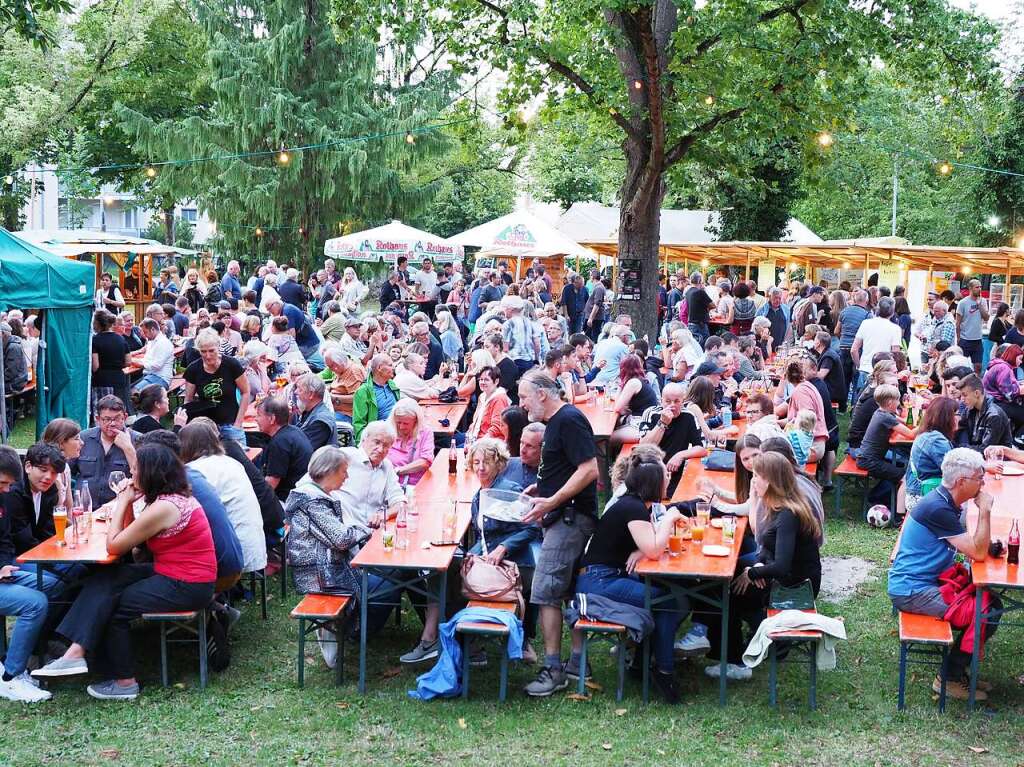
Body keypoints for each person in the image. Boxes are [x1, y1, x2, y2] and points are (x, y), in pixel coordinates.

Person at [33, 443, 216, 701]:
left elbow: (114, 544)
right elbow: (130, 534)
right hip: (174, 572)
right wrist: (128, 502)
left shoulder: (166, 507)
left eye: (135, 470)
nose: (131, 476)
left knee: (114, 608)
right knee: (105, 577)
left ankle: (124, 681)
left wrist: (123, 499)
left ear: (151, 473)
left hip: (187, 583)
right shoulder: (171, 499)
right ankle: (74, 653)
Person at [888, 448, 999, 702]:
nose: (983, 483)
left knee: (989, 601)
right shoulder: (939, 508)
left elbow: (973, 545)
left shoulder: (945, 501)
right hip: (912, 589)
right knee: (987, 610)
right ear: (962, 482)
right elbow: (978, 553)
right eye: (980, 478)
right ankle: (948, 678)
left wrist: (986, 545)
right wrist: (985, 510)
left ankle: (957, 671)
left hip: (926, 581)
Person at [577, 456, 689, 702]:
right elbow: (655, 549)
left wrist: (641, 549)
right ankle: (663, 671)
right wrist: (670, 518)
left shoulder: (636, 505)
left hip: (609, 576)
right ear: (654, 483)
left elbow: (645, 544)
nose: (668, 480)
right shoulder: (633, 507)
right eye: (665, 476)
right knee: (670, 602)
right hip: (599, 582)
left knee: (677, 600)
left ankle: (642, 663)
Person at [701, 452, 822, 681]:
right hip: (786, 578)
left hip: (796, 589)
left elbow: (782, 566)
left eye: (757, 476)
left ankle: (736, 662)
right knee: (733, 578)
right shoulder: (777, 505)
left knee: (726, 595)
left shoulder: (788, 514)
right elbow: (769, 549)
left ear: (772, 481)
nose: (753, 480)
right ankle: (760, 637)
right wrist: (757, 565)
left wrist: (753, 572)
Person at [517, 371, 599, 697]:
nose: (521, 404)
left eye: (524, 397)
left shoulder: (568, 420)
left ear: (542, 394)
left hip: (570, 520)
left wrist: (552, 499)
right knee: (569, 589)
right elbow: (570, 467)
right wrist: (546, 484)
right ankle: (577, 661)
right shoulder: (557, 423)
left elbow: (590, 469)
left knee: (545, 591)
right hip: (566, 515)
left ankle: (553, 670)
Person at [283, 446, 374, 667]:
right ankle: (358, 636)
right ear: (329, 471)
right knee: (374, 585)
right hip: (318, 573)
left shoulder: (314, 495)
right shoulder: (312, 501)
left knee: (373, 582)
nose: (347, 476)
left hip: (323, 566)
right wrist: (368, 530)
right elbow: (341, 538)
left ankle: (358, 634)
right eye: (344, 471)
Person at [464, 437, 542, 663]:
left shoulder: (507, 490)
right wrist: (474, 552)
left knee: (463, 582)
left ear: (499, 464)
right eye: (476, 462)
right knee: (455, 573)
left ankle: (523, 639)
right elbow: (482, 536)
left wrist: (503, 548)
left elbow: (532, 529)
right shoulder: (479, 495)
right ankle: (473, 642)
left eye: (486, 462)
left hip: (517, 563)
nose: (481, 468)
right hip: (490, 561)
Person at [179, 419, 267, 575]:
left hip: (234, 552)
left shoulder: (196, 470)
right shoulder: (230, 462)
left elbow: (184, 509)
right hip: (252, 544)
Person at [183, 328, 251, 446]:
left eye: (211, 350)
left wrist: (238, 423)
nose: (208, 355)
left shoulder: (231, 365)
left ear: (218, 347)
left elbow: (245, 392)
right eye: (203, 351)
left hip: (230, 424)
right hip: (206, 428)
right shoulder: (193, 369)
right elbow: (188, 400)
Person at [72, 395, 139, 508]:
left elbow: (144, 478)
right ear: (97, 419)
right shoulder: (83, 438)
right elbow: (65, 470)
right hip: (85, 507)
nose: (112, 424)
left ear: (125, 417)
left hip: (120, 509)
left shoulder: (138, 440)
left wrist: (128, 448)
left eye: (117, 418)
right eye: (106, 419)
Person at [901, 396, 959, 517]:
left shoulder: (927, 434)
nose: (960, 418)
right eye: (956, 414)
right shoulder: (936, 440)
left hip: (917, 494)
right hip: (923, 498)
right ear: (947, 418)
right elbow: (954, 471)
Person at [256, 396, 313, 502]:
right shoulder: (295, 431)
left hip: (289, 501)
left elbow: (270, 485)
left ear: (272, 419)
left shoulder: (279, 443)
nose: (256, 419)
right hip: (304, 494)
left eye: (259, 415)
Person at [852, 297, 902, 394]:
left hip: (865, 369)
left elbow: (854, 350)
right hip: (884, 372)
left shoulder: (865, 323)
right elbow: (896, 353)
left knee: (860, 403)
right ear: (892, 311)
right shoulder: (895, 329)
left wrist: (860, 365)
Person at [352, 354, 401, 443]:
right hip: (379, 437)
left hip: (398, 432)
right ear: (379, 368)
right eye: (390, 365)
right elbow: (359, 424)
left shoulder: (392, 384)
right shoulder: (363, 391)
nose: (393, 367)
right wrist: (363, 446)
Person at [90, 309, 132, 414]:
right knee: (118, 411)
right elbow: (128, 362)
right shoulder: (121, 339)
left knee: (104, 412)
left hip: (102, 381)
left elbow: (95, 366)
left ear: (97, 323)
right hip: (119, 379)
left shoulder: (95, 340)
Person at [958, 374, 1012, 453]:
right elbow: (962, 429)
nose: (962, 399)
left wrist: (963, 448)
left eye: (965, 395)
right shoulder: (969, 410)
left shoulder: (994, 415)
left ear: (977, 393)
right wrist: (962, 445)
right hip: (974, 455)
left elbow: (986, 449)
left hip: (998, 459)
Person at [386, 398, 434, 486]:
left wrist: (398, 470)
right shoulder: (387, 430)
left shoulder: (425, 432)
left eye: (406, 423)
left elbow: (425, 462)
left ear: (416, 421)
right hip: (390, 484)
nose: (401, 427)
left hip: (417, 485)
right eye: (398, 422)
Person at [982, 344, 1024, 431]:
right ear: (1013, 356)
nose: (1021, 362)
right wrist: (1020, 389)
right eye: (1019, 359)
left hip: (993, 401)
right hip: (995, 403)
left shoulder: (1001, 366)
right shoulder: (1003, 368)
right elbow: (1009, 394)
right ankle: (1018, 439)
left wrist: (1019, 384)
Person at [294, 373, 339, 451]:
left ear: (311, 394)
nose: (295, 392)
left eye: (300, 389)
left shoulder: (320, 421)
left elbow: (299, 450)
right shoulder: (309, 412)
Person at [466, 366, 511, 442]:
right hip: (475, 436)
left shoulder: (499, 399)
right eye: (481, 379)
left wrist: (478, 444)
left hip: (490, 442)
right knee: (453, 439)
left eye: (486, 380)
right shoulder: (482, 396)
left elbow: (496, 428)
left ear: (496, 381)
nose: (482, 382)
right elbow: (476, 420)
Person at [956, 279, 989, 374]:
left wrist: (979, 305)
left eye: (980, 287)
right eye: (977, 287)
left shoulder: (983, 301)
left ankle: (976, 384)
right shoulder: (963, 303)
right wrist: (958, 339)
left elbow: (986, 318)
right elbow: (958, 323)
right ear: (970, 288)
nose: (979, 289)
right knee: (962, 366)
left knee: (978, 366)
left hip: (978, 339)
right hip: (965, 339)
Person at [813, 330, 847, 412]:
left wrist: (806, 373)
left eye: (814, 340)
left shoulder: (828, 356)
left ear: (819, 343)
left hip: (832, 392)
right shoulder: (827, 353)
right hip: (831, 389)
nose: (813, 342)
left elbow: (821, 375)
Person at [755, 287, 791, 353]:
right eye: (775, 298)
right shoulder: (762, 309)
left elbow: (788, 327)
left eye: (779, 298)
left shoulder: (786, 309)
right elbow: (756, 326)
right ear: (770, 297)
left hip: (780, 344)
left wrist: (785, 342)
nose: (777, 300)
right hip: (765, 345)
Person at [583, 273, 608, 343]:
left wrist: (591, 318)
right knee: (589, 334)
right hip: (594, 316)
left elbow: (597, 304)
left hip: (595, 318)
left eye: (590, 275)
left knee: (592, 337)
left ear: (592, 277)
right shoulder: (598, 287)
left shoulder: (599, 288)